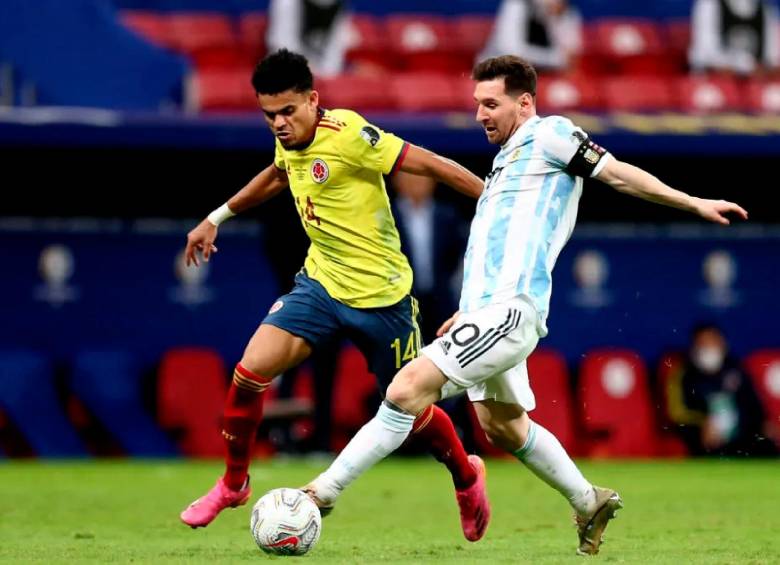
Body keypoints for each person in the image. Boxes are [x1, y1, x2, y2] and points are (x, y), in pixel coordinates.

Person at [303, 55, 749, 555]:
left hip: (512, 311)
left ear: (525, 102)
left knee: (406, 388)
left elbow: (618, 174)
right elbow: (495, 247)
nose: (480, 115)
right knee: (502, 424)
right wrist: (468, 310)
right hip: (486, 311)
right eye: (476, 105)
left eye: (490, 104)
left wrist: (692, 202)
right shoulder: (503, 164)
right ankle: (588, 500)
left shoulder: (551, 135)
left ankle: (321, 494)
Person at [179, 49, 491, 541]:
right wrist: (216, 218)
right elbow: (279, 174)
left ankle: (467, 477)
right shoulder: (289, 144)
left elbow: (429, 163)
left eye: (287, 112)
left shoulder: (349, 134)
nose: (279, 124)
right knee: (248, 374)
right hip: (320, 286)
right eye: (269, 115)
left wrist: (494, 199)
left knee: (412, 414)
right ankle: (234, 483)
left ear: (313, 101)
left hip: (383, 300)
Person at [666, 323, 777, 456]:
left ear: (722, 343)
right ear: (694, 347)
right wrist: (702, 425)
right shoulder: (684, 375)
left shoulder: (736, 369)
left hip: (742, 440)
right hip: (705, 442)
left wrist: (765, 423)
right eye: (703, 343)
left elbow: (753, 404)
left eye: (712, 342)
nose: (708, 348)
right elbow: (678, 414)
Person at [479, 0, 582, 73]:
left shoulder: (565, 11)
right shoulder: (516, 4)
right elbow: (511, 53)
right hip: (499, 73)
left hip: (539, 76)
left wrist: (556, 17)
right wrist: (555, 58)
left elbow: (571, 56)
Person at [689, 0, 780, 75]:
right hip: (714, 86)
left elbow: (772, 59)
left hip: (754, 88)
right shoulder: (709, 5)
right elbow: (704, 54)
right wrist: (744, 65)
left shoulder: (766, 10)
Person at [266, 0, 350, 77]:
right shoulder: (287, 3)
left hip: (321, 75)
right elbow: (282, 48)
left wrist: (326, 77)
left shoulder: (338, 6)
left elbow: (334, 54)